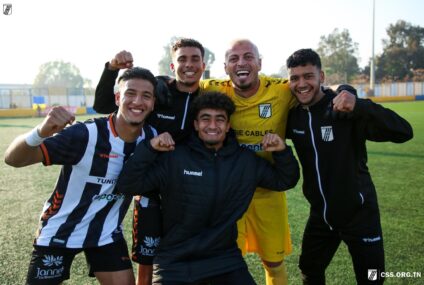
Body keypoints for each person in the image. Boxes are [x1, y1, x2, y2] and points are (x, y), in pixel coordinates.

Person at [116, 92, 300, 284]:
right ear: (195, 124)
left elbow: (285, 180)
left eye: (220, 120)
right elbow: (127, 185)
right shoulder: (174, 157)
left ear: (228, 125)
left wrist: (282, 151)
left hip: (225, 260)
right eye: (205, 119)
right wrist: (150, 148)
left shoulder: (245, 161)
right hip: (175, 261)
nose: (212, 126)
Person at [4, 67, 159, 285]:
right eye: (130, 93)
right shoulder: (86, 135)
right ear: (117, 98)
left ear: (153, 103)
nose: (138, 101)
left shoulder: (152, 137)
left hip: (106, 234)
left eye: (146, 96)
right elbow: (13, 159)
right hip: (60, 231)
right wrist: (40, 131)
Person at [285, 48, 414, 285]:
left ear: (321, 77)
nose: (301, 84)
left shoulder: (344, 108)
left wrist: (359, 104)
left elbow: (404, 131)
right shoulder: (294, 117)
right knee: (309, 270)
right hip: (322, 215)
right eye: (295, 78)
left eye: (308, 76)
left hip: (359, 214)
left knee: (372, 278)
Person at [93, 38, 206, 285]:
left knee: (192, 258)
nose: (189, 64)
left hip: (189, 191)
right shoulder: (158, 91)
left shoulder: (207, 100)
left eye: (195, 59)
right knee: (147, 259)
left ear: (203, 65)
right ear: (172, 66)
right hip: (150, 191)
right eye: (182, 59)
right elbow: (103, 105)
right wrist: (111, 68)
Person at [200, 39, 297, 285]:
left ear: (259, 63)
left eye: (248, 57)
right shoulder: (212, 88)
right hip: (229, 192)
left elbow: (316, 91)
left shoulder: (283, 90)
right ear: (225, 67)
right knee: (227, 259)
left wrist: (346, 91)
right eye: (234, 59)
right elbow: (174, 86)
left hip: (268, 189)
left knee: (273, 262)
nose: (241, 63)